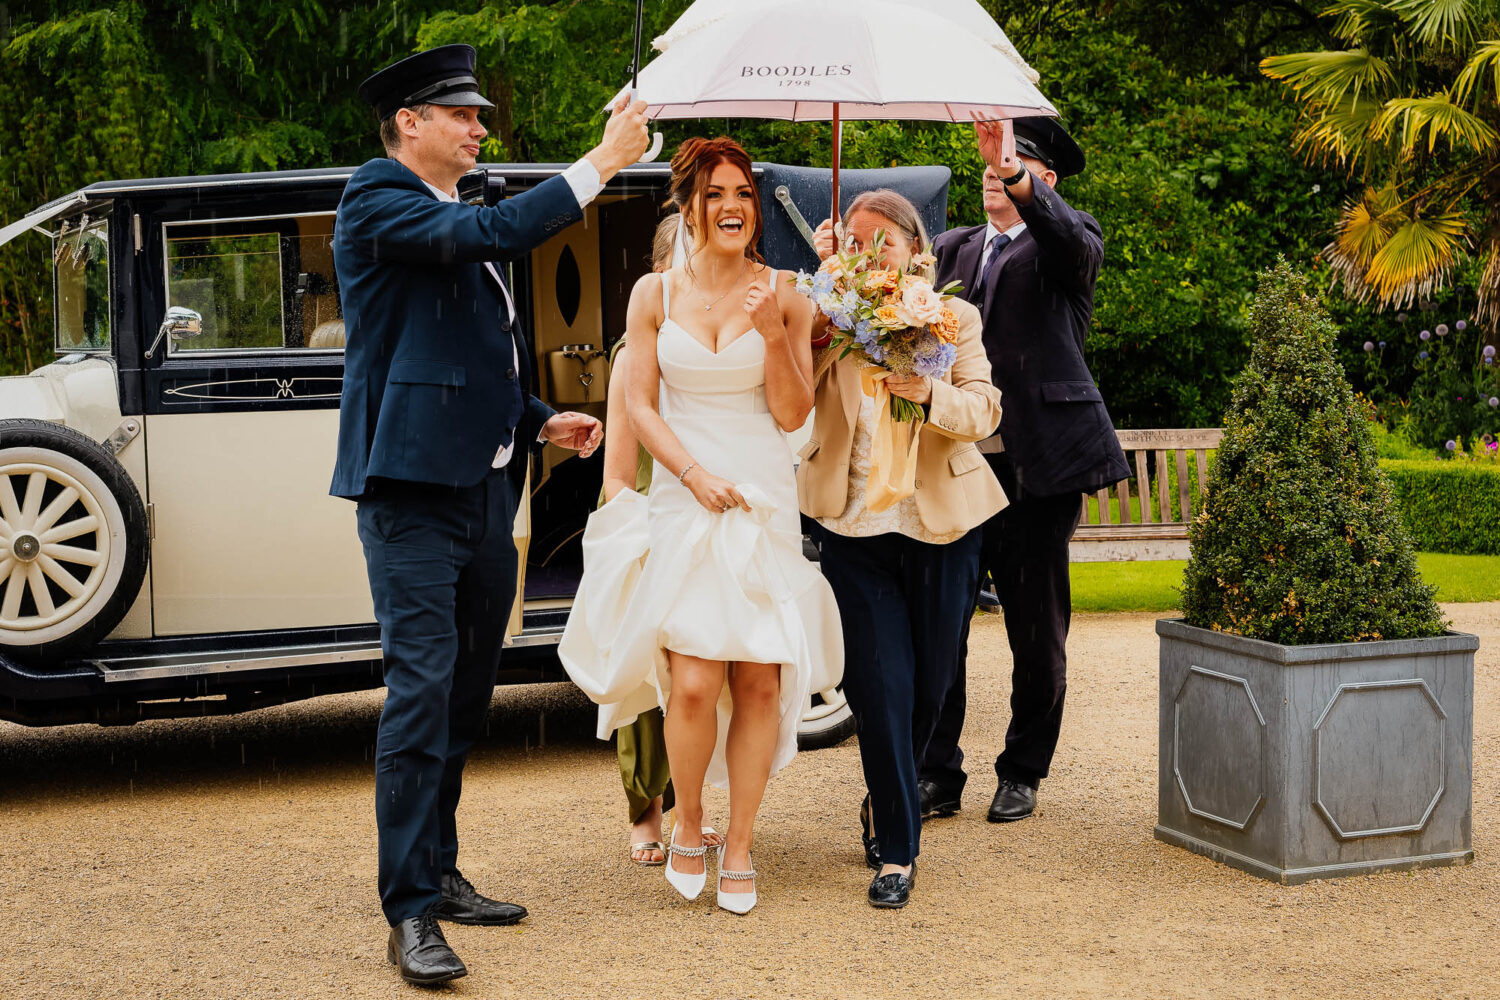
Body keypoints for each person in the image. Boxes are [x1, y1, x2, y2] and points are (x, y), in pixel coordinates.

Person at [329, 43, 649, 985]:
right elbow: (500, 235)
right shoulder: (375, 198)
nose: (479, 127)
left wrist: (545, 419)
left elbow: (481, 362)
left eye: (479, 116)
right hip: (409, 498)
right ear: (408, 124)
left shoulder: (457, 215)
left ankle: (442, 869)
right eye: (461, 115)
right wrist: (603, 162)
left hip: (484, 491)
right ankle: (412, 915)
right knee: (422, 691)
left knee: (466, 694)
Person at [560, 137, 842, 915]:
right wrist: (690, 475)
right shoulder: (652, 295)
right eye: (716, 194)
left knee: (758, 678)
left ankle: (741, 845)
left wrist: (778, 332)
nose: (732, 208)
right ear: (689, 206)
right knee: (689, 680)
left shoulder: (784, 291)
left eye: (744, 195)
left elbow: (794, 417)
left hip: (759, 494)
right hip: (686, 495)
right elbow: (641, 403)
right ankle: (689, 820)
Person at [919, 118, 1129, 826]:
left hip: (1037, 472)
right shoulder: (950, 247)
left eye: (1013, 163)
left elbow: (1066, 239)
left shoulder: (1068, 243)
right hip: (956, 465)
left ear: (1047, 179)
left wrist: (1016, 175)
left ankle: (1023, 770)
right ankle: (936, 774)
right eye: (988, 162)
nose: (992, 171)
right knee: (941, 624)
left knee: (1035, 630)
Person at [803, 190, 1005, 908]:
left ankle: (884, 797)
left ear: (917, 252)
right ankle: (898, 848)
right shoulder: (825, 316)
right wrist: (823, 313)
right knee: (880, 689)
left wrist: (927, 393)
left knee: (930, 688)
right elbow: (789, 395)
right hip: (852, 527)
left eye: (880, 242)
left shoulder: (956, 318)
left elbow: (984, 409)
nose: (867, 254)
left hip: (941, 526)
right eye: (853, 242)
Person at [601, 213, 724, 867]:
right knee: (648, 686)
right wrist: (630, 549)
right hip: (649, 525)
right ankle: (645, 811)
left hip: (711, 529)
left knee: (700, 681)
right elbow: (618, 474)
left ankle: (693, 808)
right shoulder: (630, 358)